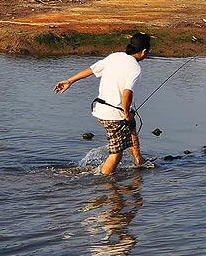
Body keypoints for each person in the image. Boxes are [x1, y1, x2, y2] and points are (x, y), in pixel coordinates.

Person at [53, 32, 151, 174]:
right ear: (144, 51)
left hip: (100, 108)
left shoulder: (115, 56)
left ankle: (139, 160)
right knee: (116, 154)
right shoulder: (135, 69)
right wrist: (126, 113)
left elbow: (92, 70)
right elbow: (127, 94)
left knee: (131, 126)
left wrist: (69, 81)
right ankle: (104, 182)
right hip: (113, 115)